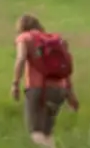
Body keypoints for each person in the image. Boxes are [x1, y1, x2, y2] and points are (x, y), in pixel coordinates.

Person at [12, 14, 80, 147]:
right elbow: (64, 70)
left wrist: (15, 83)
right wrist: (70, 94)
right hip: (59, 90)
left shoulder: (25, 38)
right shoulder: (55, 41)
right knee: (47, 133)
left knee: (35, 132)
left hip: (37, 89)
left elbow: (20, 59)